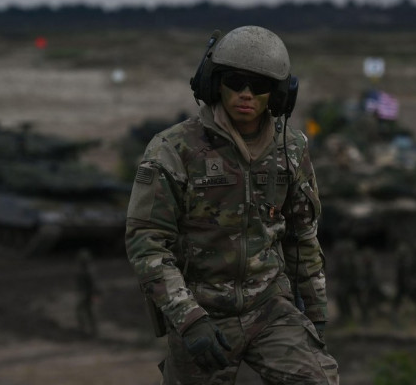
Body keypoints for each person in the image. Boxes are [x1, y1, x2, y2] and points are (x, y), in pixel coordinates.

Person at [125, 25, 339, 384]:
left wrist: (315, 313)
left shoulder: (292, 149)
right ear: (213, 83)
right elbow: (146, 241)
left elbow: (303, 236)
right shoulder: (174, 149)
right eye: (235, 81)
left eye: (259, 86)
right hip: (201, 311)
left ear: (279, 94)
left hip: (270, 308)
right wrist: (188, 318)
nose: (246, 94)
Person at [75, 248, 100, 337]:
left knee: (87, 312)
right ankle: (88, 330)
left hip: (88, 294)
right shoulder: (85, 270)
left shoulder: (88, 271)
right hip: (86, 294)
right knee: (86, 312)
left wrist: (94, 294)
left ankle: (89, 330)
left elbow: (93, 284)